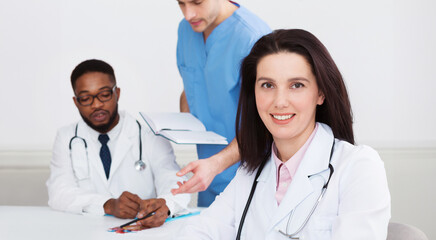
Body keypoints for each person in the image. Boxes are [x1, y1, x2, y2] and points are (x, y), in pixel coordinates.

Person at [177, 29, 391, 239]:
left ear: (321, 93)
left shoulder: (358, 166)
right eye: (267, 85)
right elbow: (198, 232)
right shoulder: (249, 175)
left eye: (296, 85)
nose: (279, 101)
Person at [46, 59, 190, 228]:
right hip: (87, 232)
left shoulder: (149, 135)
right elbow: (58, 193)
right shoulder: (66, 137)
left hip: (142, 232)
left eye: (104, 94)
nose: (97, 104)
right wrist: (107, 204)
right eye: (85, 98)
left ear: (117, 93)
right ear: (76, 102)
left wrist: (166, 205)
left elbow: (174, 181)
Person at [173, 0, 271, 207]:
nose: (189, 14)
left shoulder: (253, 38)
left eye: (197, 2)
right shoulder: (186, 30)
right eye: (181, 3)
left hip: (252, 178)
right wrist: (182, 128)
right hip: (208, 178)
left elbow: (265, 121)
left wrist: (216, 164)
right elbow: (192, 86)